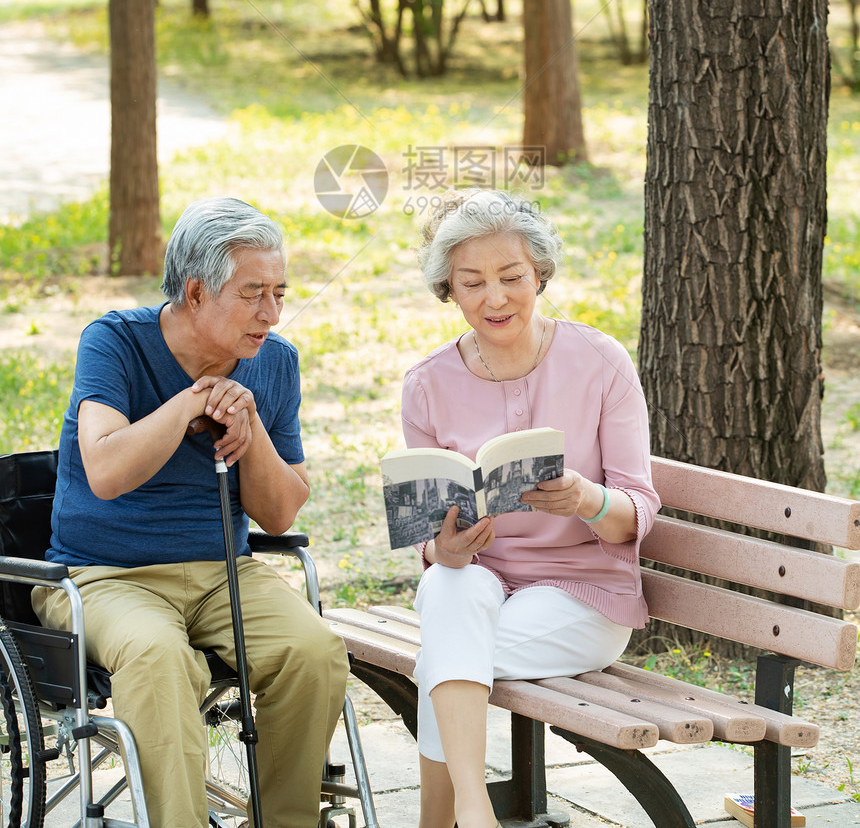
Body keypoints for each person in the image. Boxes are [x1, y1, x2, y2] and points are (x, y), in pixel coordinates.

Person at [33, 196, 349, 828]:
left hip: (222, 571)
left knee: (313, 651)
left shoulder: (274, 362)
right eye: (253, 292)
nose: (272, 312)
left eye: (280, 293)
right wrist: (189, 404)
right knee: (157, 655)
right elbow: (105, 471)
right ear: (198, 291)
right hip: (102, 577)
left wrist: (250, 425)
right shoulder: (115, 341)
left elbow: (281, 514)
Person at [403, 190, 660, 828]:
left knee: (443, 656)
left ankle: (450, 816)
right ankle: (472, 811)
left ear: (539, 275)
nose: (495, 298)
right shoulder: (428, 384)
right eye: (473, 283)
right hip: (482, 580)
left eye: (512, 277)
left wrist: (588, 499)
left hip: (585, 594)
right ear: (450, 292)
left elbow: (639, 507)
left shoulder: (601, 361)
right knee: (448, 587)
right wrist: (442, 548)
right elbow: (427, 532)